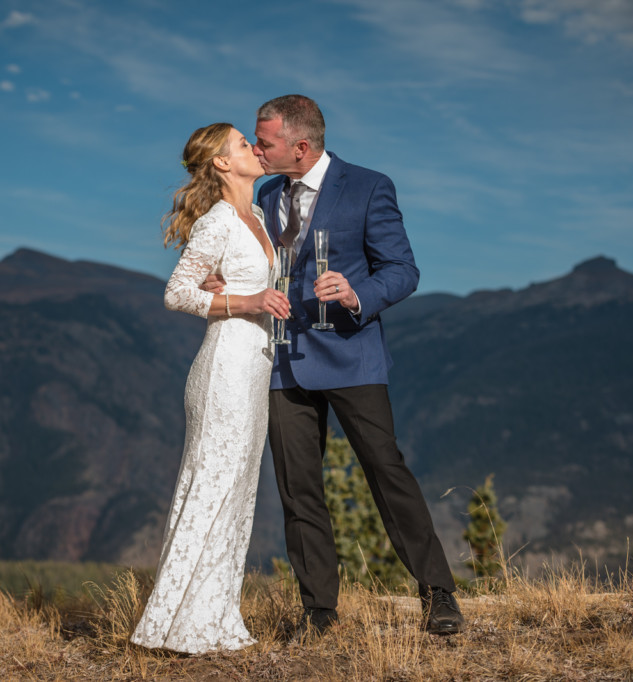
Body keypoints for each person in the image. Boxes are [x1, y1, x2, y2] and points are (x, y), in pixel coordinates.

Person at [209, 94, 465, 638]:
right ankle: (318, 611)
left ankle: (438, 594)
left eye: (267, 141)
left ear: (300, 147)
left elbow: (403, 270)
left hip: (353, 358)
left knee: (386, 471)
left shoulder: (370, 187)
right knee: (298, 489)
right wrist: (222, 285)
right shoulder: (266, 196)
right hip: (280, 362)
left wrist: (356, 294)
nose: (257, 148)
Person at [130, 122, 290, 654]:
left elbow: (217, 281)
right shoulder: (219, 221)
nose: (255, 148)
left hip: (254, 366)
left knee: (239, 493)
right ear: (223, 163)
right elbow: (176, 292)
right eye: (245, 144)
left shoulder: (259, 216)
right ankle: (174, 626)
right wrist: (246, 301)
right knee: (211, 488)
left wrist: (235, 290)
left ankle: (215, 620)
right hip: (223, 368)